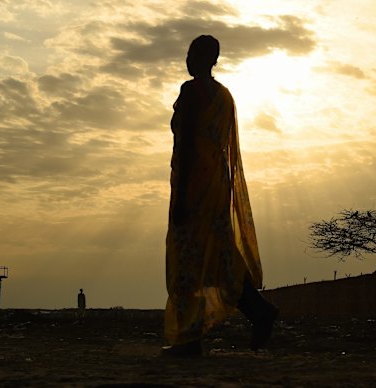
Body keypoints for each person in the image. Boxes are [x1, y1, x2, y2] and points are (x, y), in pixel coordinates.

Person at [164, 35, 278, 356]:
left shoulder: (192, 92)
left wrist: (184, 196)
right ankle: (258, 311)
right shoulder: (224, 96)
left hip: (195, 186)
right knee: (217, 258)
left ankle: (189, 340)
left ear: (209, 59)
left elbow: (187, 145)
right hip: (216, 186)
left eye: (194, 54)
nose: (188, 59)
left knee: (187, 258)